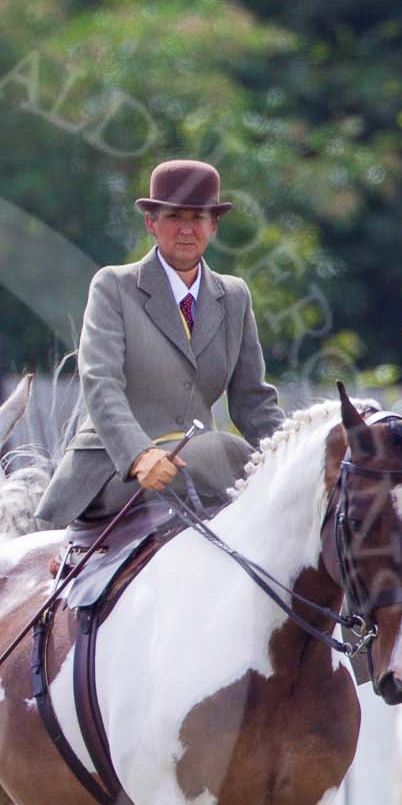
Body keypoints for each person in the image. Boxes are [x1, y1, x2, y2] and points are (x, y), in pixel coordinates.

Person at [37, 158, 286, 528]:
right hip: (116, 471)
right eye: (174, 218)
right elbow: (101, 383)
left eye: (198, 218)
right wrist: (139, 454)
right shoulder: (114, 286)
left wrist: (295, 453)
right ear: (152, 223)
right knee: (225, 450)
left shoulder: (235, 296)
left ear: (214, 226)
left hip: (198, 472)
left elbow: (253, 402)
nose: (186, 230)